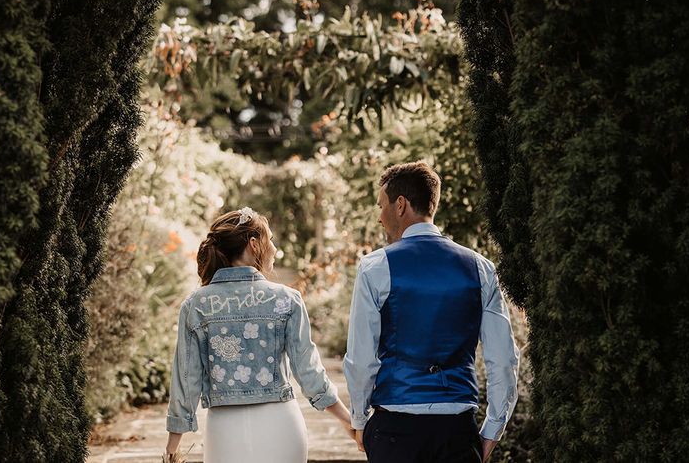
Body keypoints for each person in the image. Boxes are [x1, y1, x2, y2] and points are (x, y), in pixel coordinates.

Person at [344, 161, 520, 463]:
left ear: (400, 205)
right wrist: (493, 428)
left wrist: (359, 420)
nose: (379, 217)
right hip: (457, 430)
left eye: (381, 206)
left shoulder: (375, 266)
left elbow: (361, 358)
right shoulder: (480, 267)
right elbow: (503, 359)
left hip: (396, 431)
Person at [163, 207, 355, 463]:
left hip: (224, 432)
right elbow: (309, 372)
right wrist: (349, 422)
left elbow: (185, 382)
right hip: (281, 426)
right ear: (254, 244)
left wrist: (171, 451)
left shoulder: (195, 304)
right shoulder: (287, 299)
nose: (274, 248)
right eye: (270, 239)